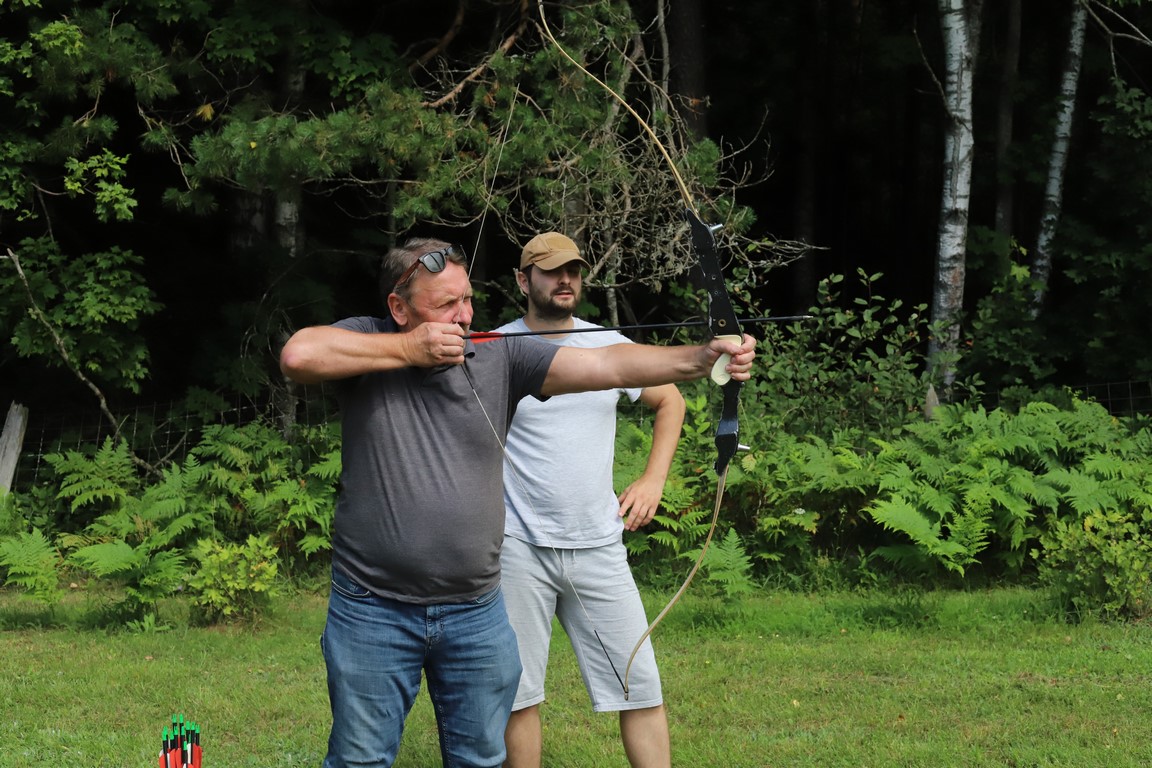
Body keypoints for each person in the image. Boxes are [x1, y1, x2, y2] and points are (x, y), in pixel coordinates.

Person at [278, 236, 756, 768]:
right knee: (360, 759)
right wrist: (409, 350)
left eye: (466, 300)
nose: (463, 316)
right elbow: (298, 355)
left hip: (475, 612)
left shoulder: (498, 353)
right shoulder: (368, 340)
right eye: (445, 304)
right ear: (399, 307)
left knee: (481, 759)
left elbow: (609, 366)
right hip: (374, 606)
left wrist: (700, 357)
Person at [497, 232, 681, 768]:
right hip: (515, 546)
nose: (565, 280)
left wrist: (653, 480)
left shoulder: (609, 345)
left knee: (638, 683)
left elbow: (670, 399)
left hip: (599, 543)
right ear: (523, 280)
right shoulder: (493, 348)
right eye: (552, 271)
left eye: (573, 270)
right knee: (517, 693)